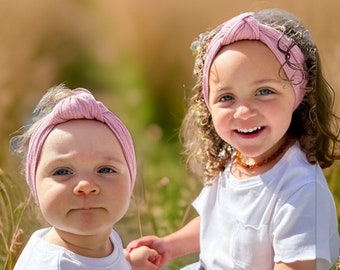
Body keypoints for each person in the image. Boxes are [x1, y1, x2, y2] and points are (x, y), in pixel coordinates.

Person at [126, 8, 340, 270]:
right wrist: (170, 245)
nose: (244, 111)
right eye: (226, 97)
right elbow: (216, 222)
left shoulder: (300, 188)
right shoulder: (233, 159)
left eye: (264, 91)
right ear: (208, 106)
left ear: (297, 96)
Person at [10, 85, 160, 270]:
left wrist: (128, 261)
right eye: (62, 172)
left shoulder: (105, 239)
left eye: (105, 170)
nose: (86, 185)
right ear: (34, 192)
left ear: (130, 181)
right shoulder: (51, 266)